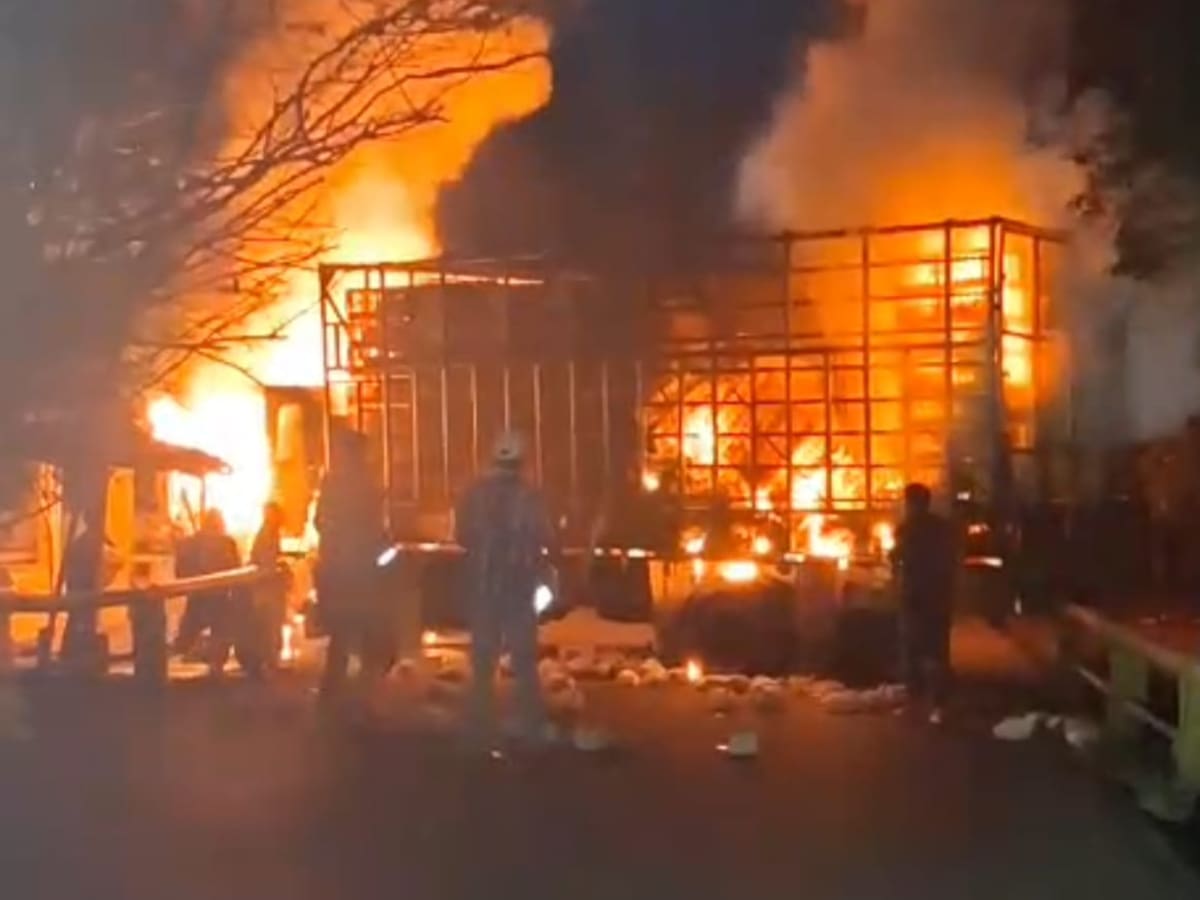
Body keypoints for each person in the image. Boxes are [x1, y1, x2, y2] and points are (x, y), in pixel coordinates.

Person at [455, 430, 559, 750]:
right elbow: (546, 535)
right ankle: (530, 725)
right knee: (524, 659)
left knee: (483, 660)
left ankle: (478, 725)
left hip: (485, 585)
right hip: (518, 585)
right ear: (521, 460)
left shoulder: (474, 493)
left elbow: (461, 535)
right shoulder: (530, 496)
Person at [314, 429, 387, 697]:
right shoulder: (368, 484)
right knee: (365, 628)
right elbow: (378, 529)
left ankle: (335, 689)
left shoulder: (333, 483)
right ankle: (366, 690)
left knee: (341, 633)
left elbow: (320, 522)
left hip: (338, 569)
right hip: (361, 570)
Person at [892, 482, 956, 722]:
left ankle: (915, 704)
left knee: (913, 651)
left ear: (911, 503)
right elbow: (950, 560)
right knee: (938, 651)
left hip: (915, 597)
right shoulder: (943, 528)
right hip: (939, 597)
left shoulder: (907, 529)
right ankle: (939, 706)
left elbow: (897, 558)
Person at [174, 509, 248, 676]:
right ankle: (215, 666)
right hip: (217, 595)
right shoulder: (226, 543)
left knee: (190, 631)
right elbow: (236, 568)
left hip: (199, 594)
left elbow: (180, 570)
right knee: (220, 631)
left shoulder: (191, 543)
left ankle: (173, 654)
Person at [250, 502, 289, 669]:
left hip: (267, 588)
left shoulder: (269, 534)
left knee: (269, 626)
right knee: (269, 626)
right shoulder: (267, 535)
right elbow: (267, 562)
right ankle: (269, 662)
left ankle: (269, 660)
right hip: (267, 588)